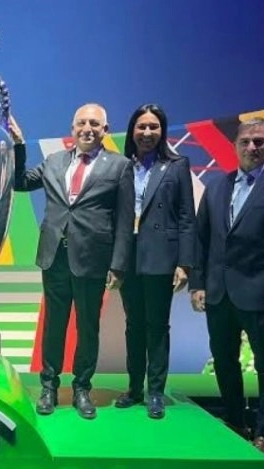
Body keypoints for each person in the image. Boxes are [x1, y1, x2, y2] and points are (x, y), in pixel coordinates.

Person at [189, 117, 264, 456]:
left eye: (259, 141)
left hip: (263, 296)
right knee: (224, 360)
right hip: (219, 294)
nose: (252, 147)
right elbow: (201, 240)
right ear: (235, 145)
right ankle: (235, 422)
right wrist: (197, 284)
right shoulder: (216, 186)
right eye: (246, 141)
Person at [9, 104, 134, 418]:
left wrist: (118, 264)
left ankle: (81, 388)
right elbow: (19, 182)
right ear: (73, 128)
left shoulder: (120, 166)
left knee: (87, 327)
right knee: (54, 325)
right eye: (81, 123)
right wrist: (19, 145)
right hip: (55, 257)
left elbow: (124, 220)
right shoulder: (54, 161)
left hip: (93, 259)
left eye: (94, 123)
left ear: (105, 130)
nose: (87, 129)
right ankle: (49, 387)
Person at [114, 104, 196, 419]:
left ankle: (156, 393)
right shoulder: (121, 165)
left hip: (162, 256)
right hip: (129, 255)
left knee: (157, 327)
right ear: (132, 131)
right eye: (141, 126)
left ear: (162, 131)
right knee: (133, 325)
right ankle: (134, 388)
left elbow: (186, 217)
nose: (147, 132)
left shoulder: (176, 165)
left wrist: (185, 263)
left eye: (154, 127)